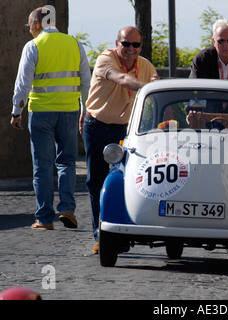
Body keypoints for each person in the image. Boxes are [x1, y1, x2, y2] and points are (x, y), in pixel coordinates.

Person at [10, 7, 91, 230]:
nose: (29, 31)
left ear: (37, 23)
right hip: (69, 112)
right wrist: (85, 110)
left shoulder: (33, 46)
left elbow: (22, 83)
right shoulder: (74, 44)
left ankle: (44, 219)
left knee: (43, 166)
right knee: (67, 162)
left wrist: (16, 111)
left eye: (29, 26)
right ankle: (67, 208)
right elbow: (86, 81)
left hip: (41, 113)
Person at [83, 26, 159, 254]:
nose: (131, 49)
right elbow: (122, 79)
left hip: (124, 131)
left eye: (136, 45)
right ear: (117, 44)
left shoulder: (145, 65)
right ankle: (101, 235)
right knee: (96, 182)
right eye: (126, 44)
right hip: (96, 126)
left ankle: (121, 232)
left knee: (127, 181)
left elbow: (159, 89)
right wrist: (149, 87)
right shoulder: (106, 58)